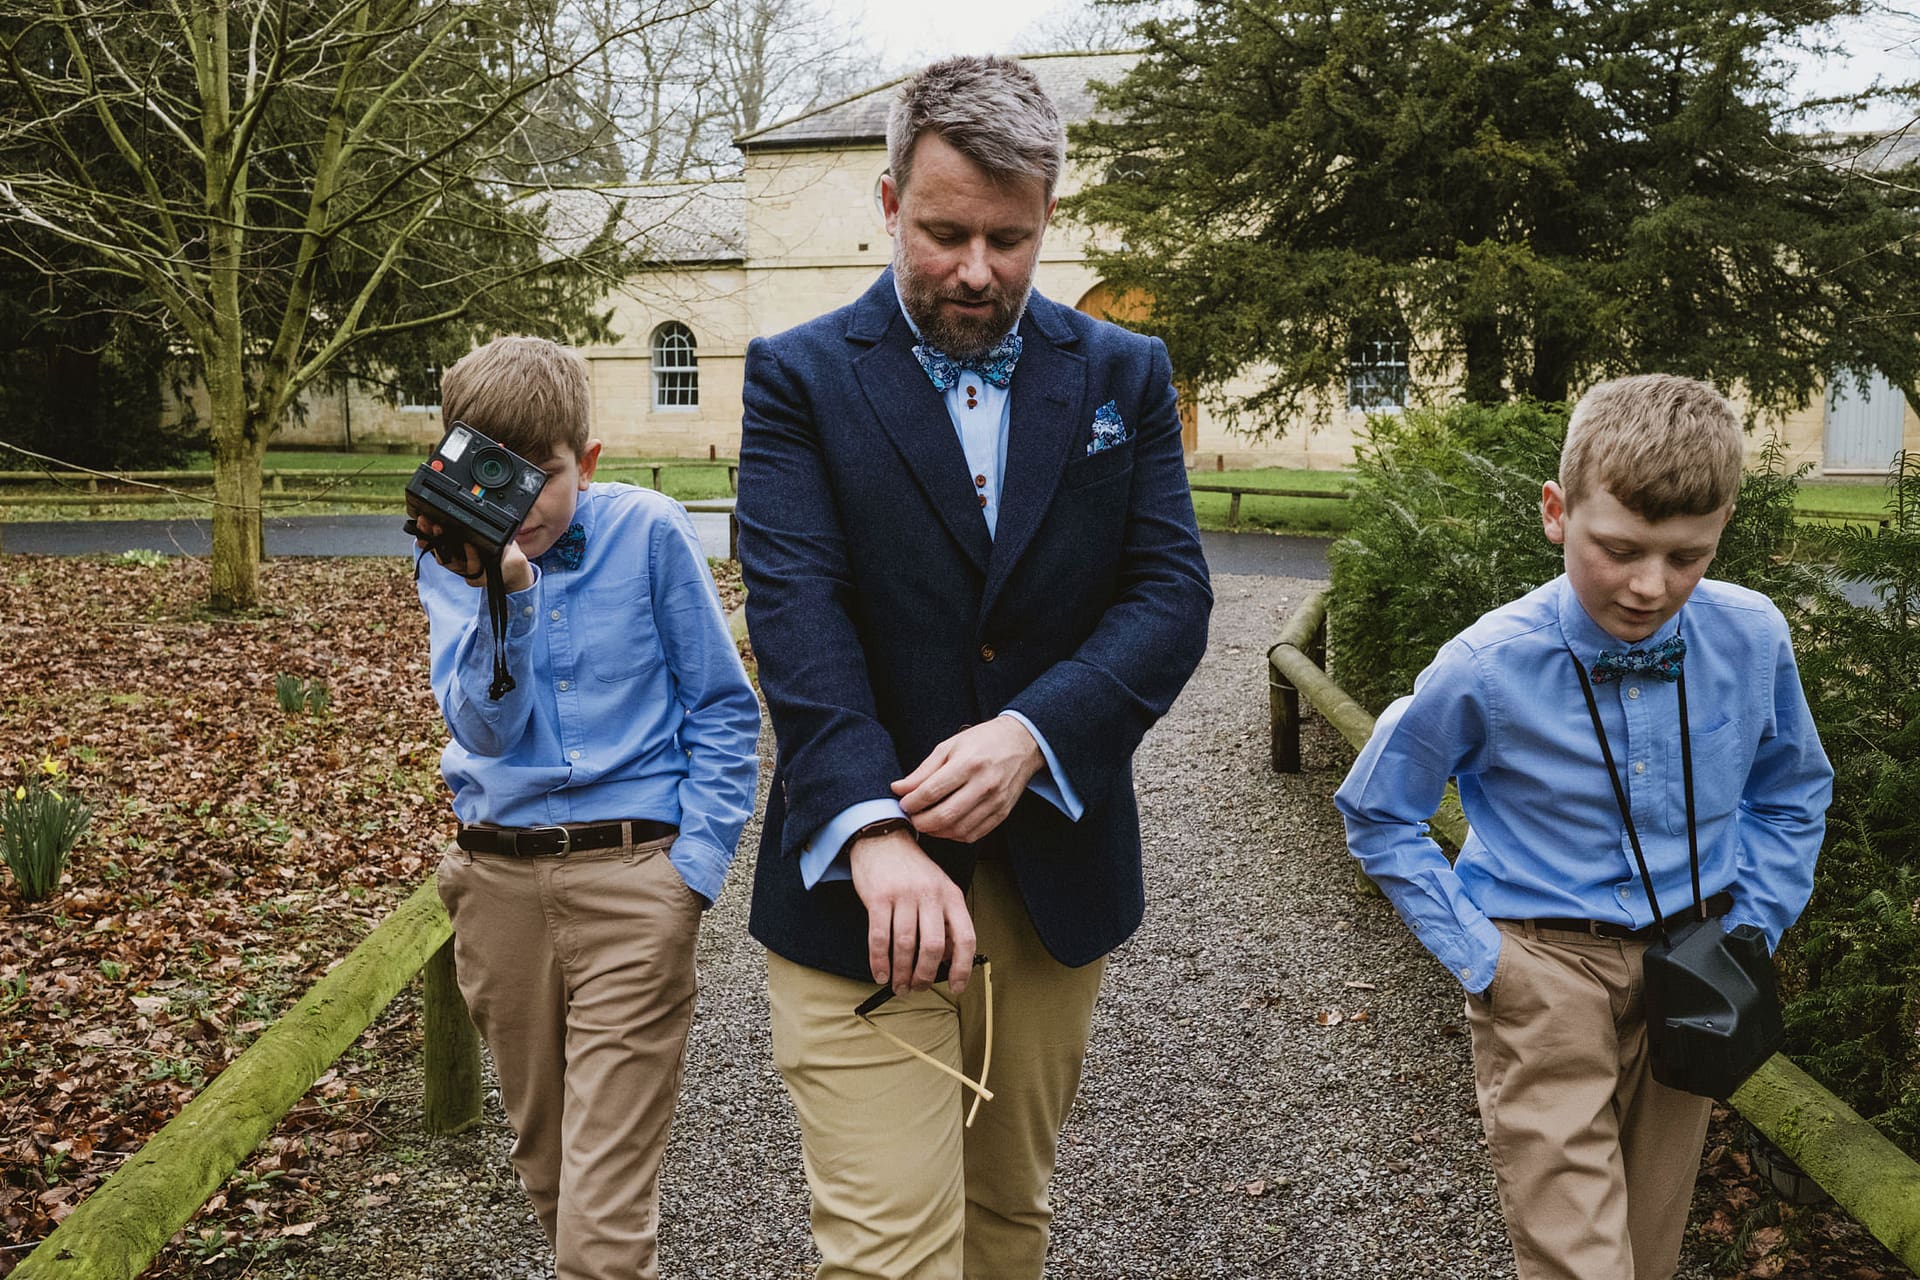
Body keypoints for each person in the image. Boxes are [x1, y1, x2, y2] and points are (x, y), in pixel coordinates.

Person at [735, 54, 1212, 1280]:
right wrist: (870, 827)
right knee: (890, 1252)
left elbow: (1169, 596)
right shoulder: (796, 376)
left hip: (1052, 879)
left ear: (1049, 212)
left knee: (1007, 1221)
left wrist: (1032, 734)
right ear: (890, 202)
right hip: (860, 887)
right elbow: (798, 613)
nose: (978, 270)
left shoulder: (1124, 373)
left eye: (1011, 238)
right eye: (946, 234)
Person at [1336, 374, 1833, 1280]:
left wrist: (1752, 929)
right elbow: (1378, 811)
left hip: (1698, 966)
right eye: (1620, 549)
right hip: (1545, 973)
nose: (1650, 586)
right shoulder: (1485, 664)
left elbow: (1792, 790)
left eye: (1687, 557)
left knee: (1648, 1252)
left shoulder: (1753, 636)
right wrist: (1488, 961)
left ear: (1724, 524)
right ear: (1556, 512)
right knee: (1583, 1264)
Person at [413, 335, 760, 1280]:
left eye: (544, 476)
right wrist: (506, 592)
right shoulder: (453, 558)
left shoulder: (648, 531)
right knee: (552, 1173)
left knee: (602, 1212)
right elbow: (485, 731)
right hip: (497, 886)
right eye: (494, 477)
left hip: (633, 883)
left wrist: (690, 875)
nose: (520, 504)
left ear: (588, 462)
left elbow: (722, 708)